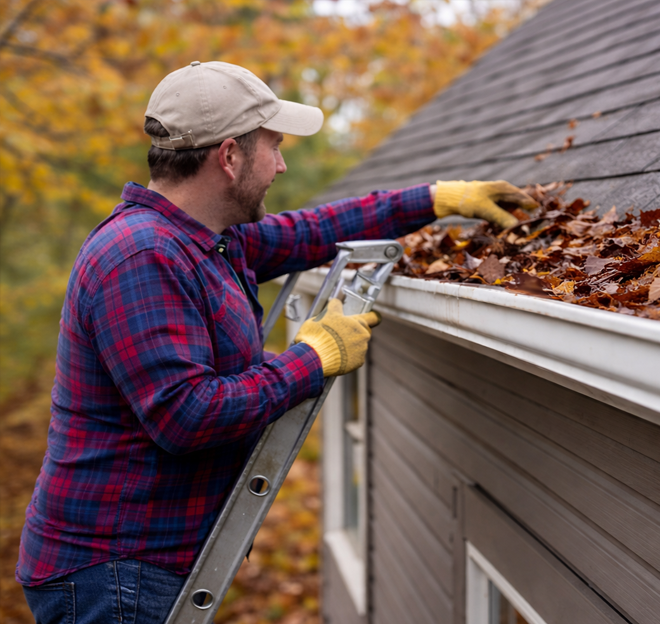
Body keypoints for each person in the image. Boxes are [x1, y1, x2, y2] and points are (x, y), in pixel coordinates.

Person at [17, 60, 536, 623]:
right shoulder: (143, 256)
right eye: (275, 147)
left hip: (141, 565)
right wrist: (309, 360)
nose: (282, 165)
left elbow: (311, 231)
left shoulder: (208, 240)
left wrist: (435, 199)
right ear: (230, 157)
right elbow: (185, 416)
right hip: (112, 572)